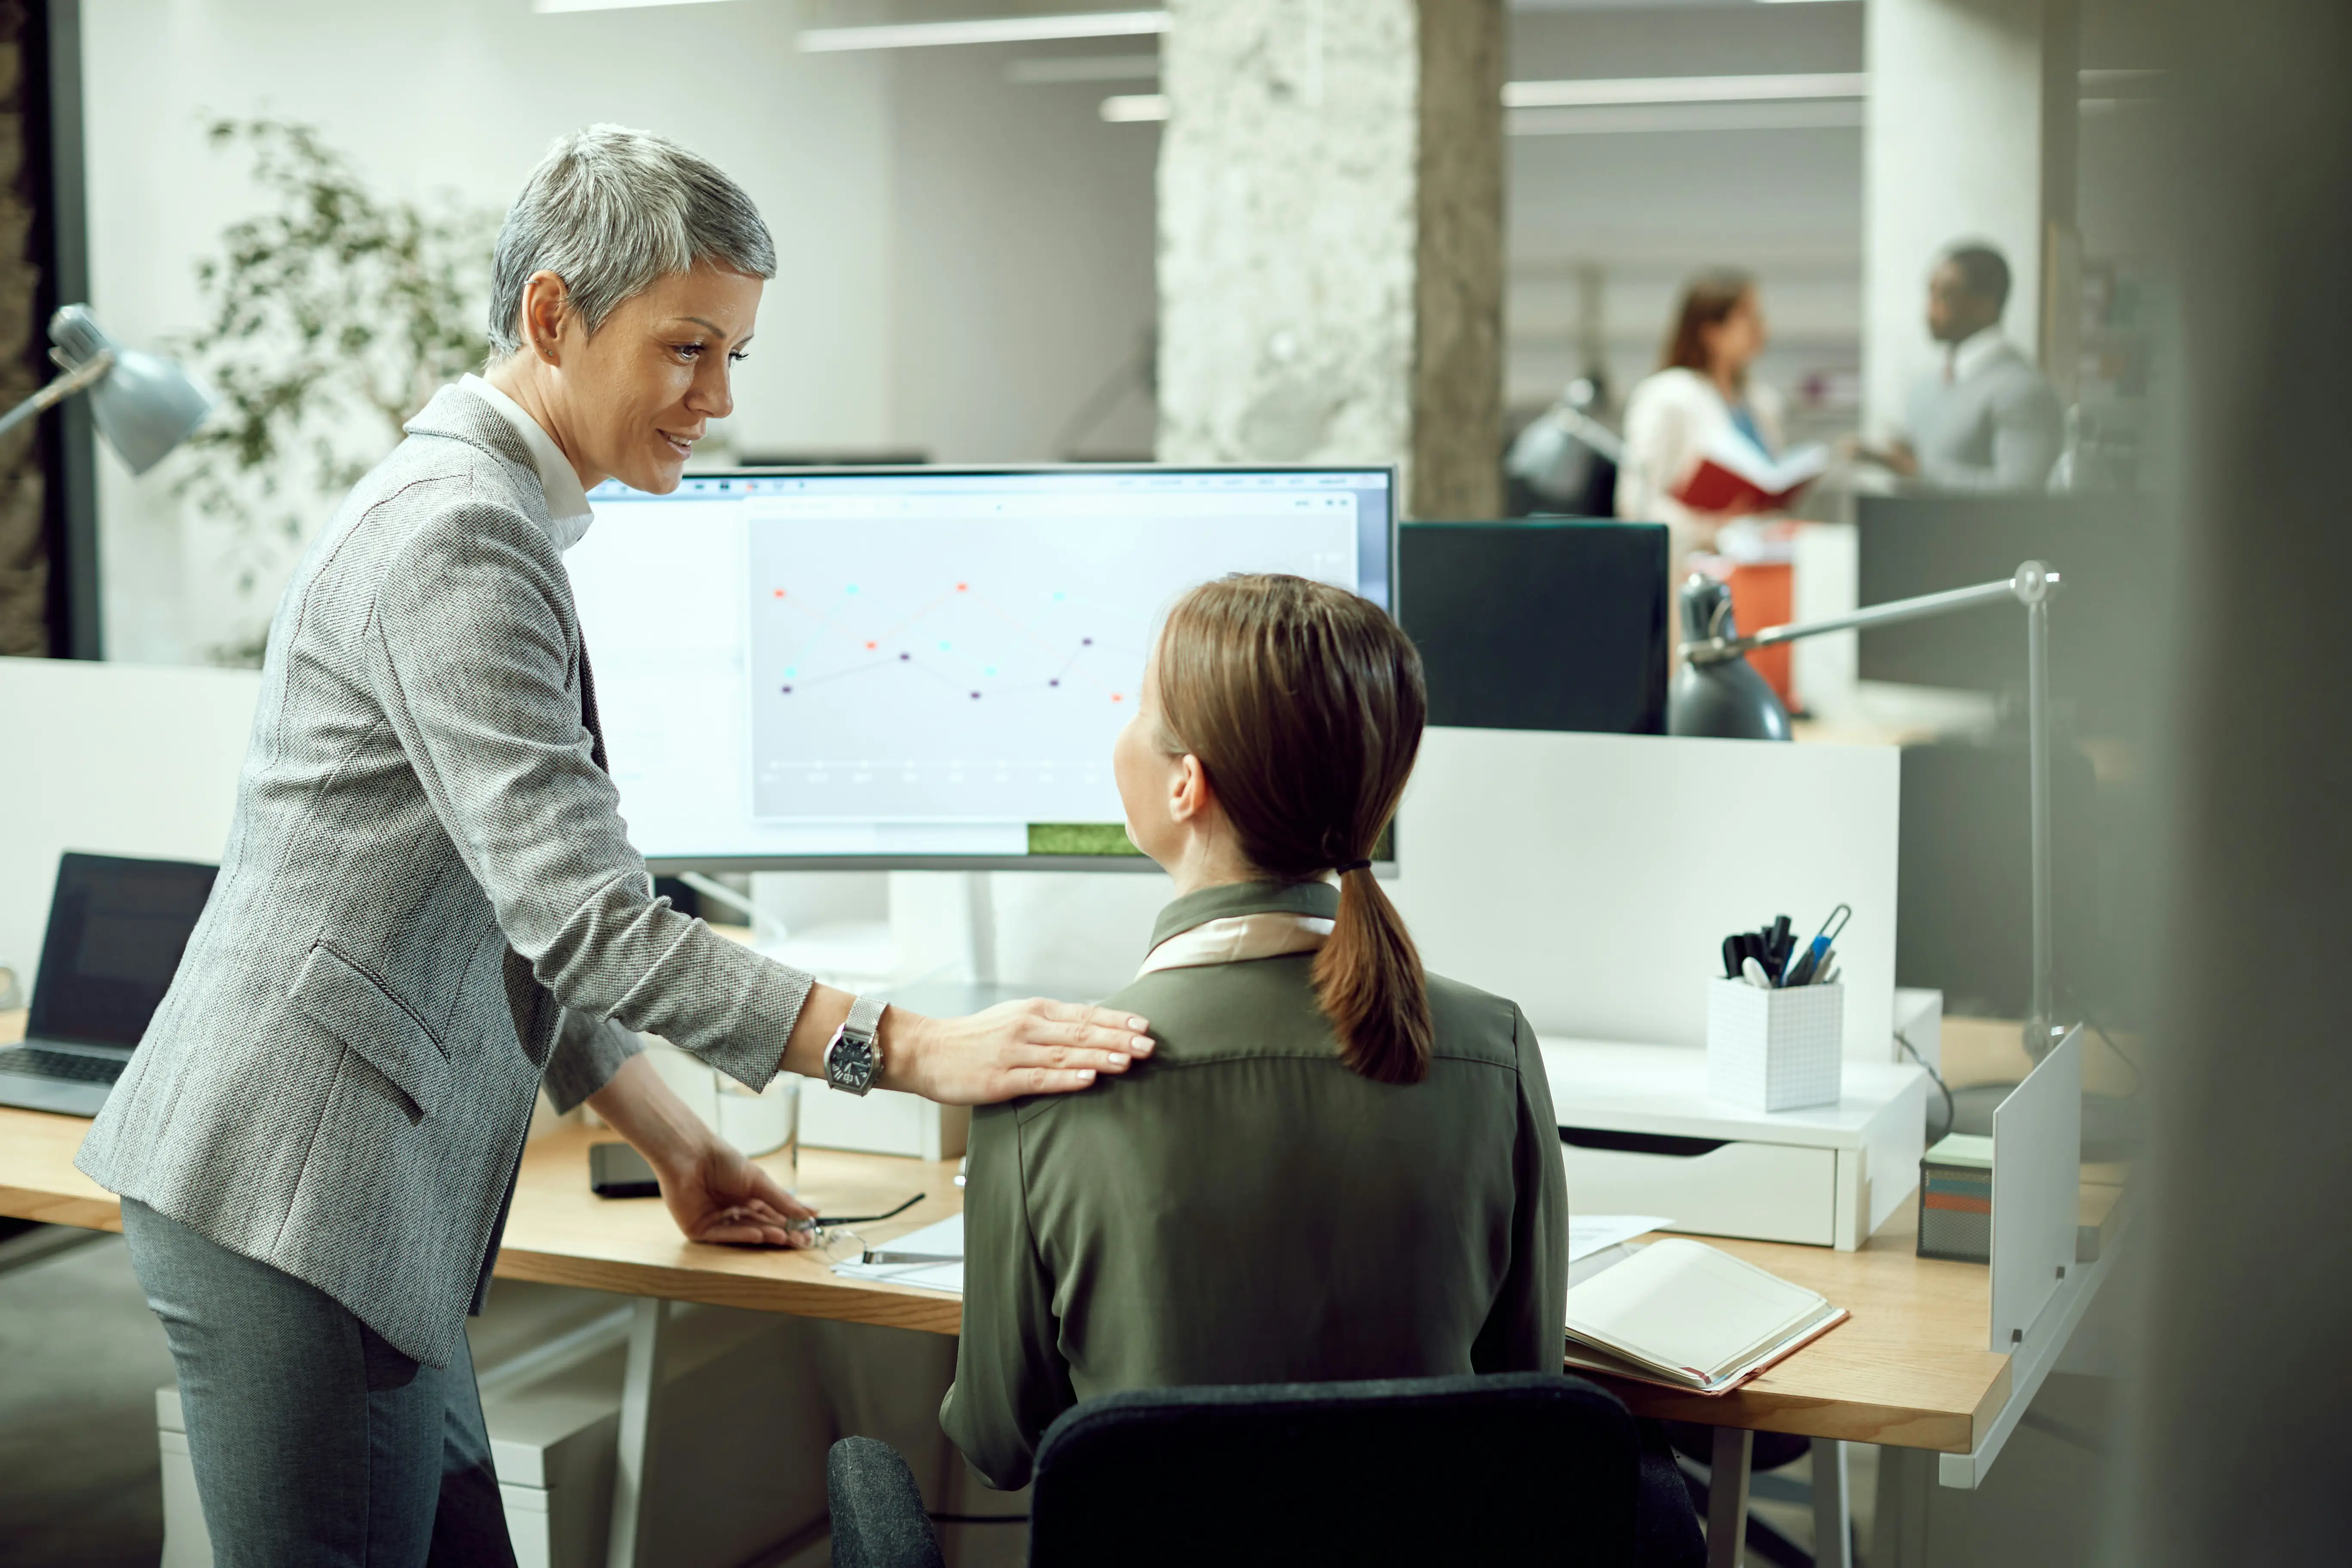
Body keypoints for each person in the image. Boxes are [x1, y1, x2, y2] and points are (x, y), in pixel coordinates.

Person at [74, 126, 1154, 1566]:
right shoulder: (458, 536)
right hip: (297, 1192)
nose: (716, 398)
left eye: (737, 357)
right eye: (687, 349)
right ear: (551, 316)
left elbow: (517, 905)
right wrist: (907, 1045)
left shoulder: (494, 508)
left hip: (357, 1197)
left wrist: (681, 1137)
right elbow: (589, 917)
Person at [939, 574, 1704, 1567]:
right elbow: (1520, 1393)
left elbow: (1001, 1440)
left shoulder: (1045, 1077)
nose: (1122, 732)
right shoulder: (1492, 1050)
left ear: (1185, 785)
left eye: (1138, 710)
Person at [1864, 242, 2064, 491]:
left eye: (1946, 295)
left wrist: (1918, 471)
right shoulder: (1926, 386)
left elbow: (2020, 495)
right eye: (1931, 293)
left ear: (1985, 306)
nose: (1931, 308)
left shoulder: (2022, 389)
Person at [1616, 267, 1786, 555]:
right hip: (1691, 565)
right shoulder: (1666, 396)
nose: (1762, 329)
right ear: (1710, 330)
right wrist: (1712, 529)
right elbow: (1636, 502)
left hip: (1756, 563)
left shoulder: (1762, 402)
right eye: (1748, 318)